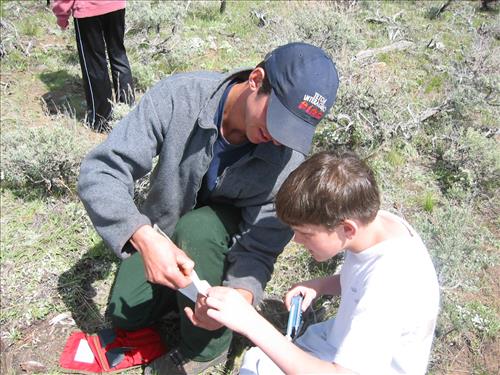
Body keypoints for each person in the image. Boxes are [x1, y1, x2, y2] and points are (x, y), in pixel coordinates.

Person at [77, 42, 339, 374]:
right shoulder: (180, 96)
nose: (278, 137)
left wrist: (239, 300)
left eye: (292, 130)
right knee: (125, 313)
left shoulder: (288, 161)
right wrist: (144, 237)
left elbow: (260, 247)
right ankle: (182, 292)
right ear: (256, 80)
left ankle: (205, 351)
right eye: (276, 119)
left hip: (219, 240)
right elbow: (101, 171)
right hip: (164, 232)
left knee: (199, 228)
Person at [199, 152, 440, 375]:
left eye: (305, 233)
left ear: (347, 228)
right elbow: (362, 277)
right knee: (260, 362)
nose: (296, 240)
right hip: (338, 342)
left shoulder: (391, 284)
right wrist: (321, 285)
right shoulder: (377, 226)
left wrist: (251, 323)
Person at [52, 0, 135, 131]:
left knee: (94, 63)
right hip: (116, 5)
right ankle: (129, 113)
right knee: (118, 54)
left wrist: (62, 14)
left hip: (88, 9)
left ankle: (101, 120)